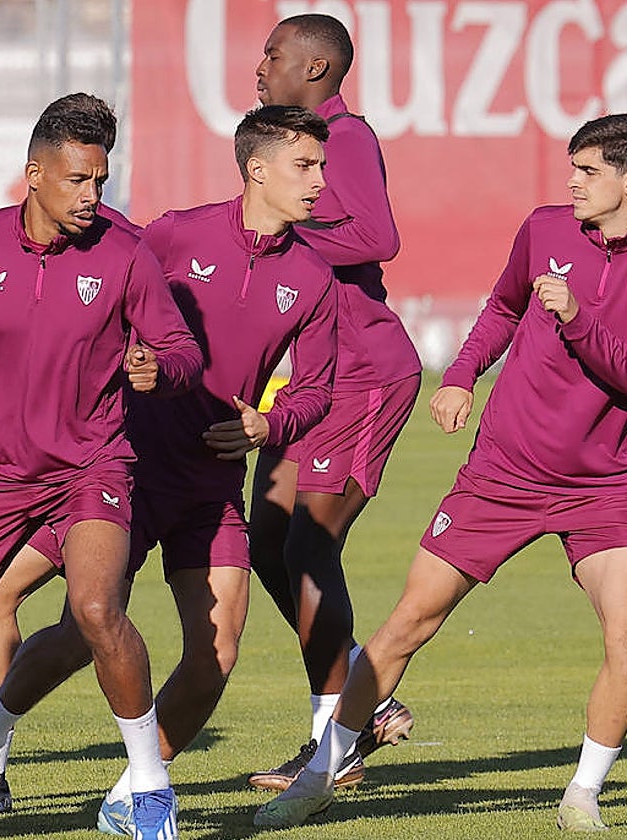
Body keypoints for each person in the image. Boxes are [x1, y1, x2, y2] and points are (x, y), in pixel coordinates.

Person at [0, 104, 339, 837]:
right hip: (121, 469)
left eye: (321, 167)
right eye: (306, 166)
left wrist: (268, 423)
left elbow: (318, 388)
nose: (320, 182)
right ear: (257, 169)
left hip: (213, 487)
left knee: (215, 652)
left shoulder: (314, 280)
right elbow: (95, 277)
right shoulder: (172, 235)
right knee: (78, 631)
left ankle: (134, 791)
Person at [255, 112, 627, 832]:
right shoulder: (544, 229)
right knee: (406, 625)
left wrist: (579, 318)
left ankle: (583, 792)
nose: (571, 182)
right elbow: (505, 307)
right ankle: (319, 778)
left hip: (604, 487)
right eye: (572, 168)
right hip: (503, 472)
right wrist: (460, 375)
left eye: (588, 172)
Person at [0, 92, 202, 840]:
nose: (92, 196)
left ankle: (149, 788)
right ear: (34, 175)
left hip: (92, 467)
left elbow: (182, 350)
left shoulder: (124, 254)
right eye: (78, 179)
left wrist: (160, 369)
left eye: (101, 181)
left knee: (94, 610)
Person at [245, 13, 421, 790]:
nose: (260, 66)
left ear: (316, 69)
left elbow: (378, 236)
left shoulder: (344, 136)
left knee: (308, 548)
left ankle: (331, 745)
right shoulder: (294, 149)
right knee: (267, 543)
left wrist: (284, 232)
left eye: (273, 55)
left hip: (368, 374)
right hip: (316, 380)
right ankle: (365, 702)